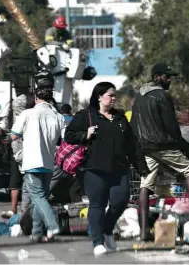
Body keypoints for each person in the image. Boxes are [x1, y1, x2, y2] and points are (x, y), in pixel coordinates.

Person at [65, 82, 149, 256]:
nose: (114, 98)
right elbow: (69, 136)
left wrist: (142, 167)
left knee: (121, 200)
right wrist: (84, 134)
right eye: (110, 95)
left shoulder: (119, 117)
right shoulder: (85, 115)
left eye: (114, 95)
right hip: (93, 168)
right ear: (99, 96)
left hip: (119, 169)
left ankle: (107, 230)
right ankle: (98, 242)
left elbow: (132, 144)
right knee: (97, 205)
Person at [131, 63, 189, 241]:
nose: (169, 79)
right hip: (162, 145)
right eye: (166, 76)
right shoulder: (162, 95)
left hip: (144, 146)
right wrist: (181, 145)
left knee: (145, 185)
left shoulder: (139, 96)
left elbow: (134, 124)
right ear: (156, 77)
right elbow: (171, 126)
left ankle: (144, 230)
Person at [9, 84, 65, 242]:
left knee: (38, 198)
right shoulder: (58, 117)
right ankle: (37, 232)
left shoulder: (28, 113)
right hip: (49, 164)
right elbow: (65, 138)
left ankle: (52, 225)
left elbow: (14, 135)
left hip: (32, 163)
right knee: (40, 199)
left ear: (36, 98)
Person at [1, 93, 35, 219]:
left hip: (16, 151)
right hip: (32, 152)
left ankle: (14, 209)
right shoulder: (33, 115)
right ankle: (28, 211)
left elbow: (4, 128)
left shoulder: (14, 114)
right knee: (31, 181)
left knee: (15, 181)